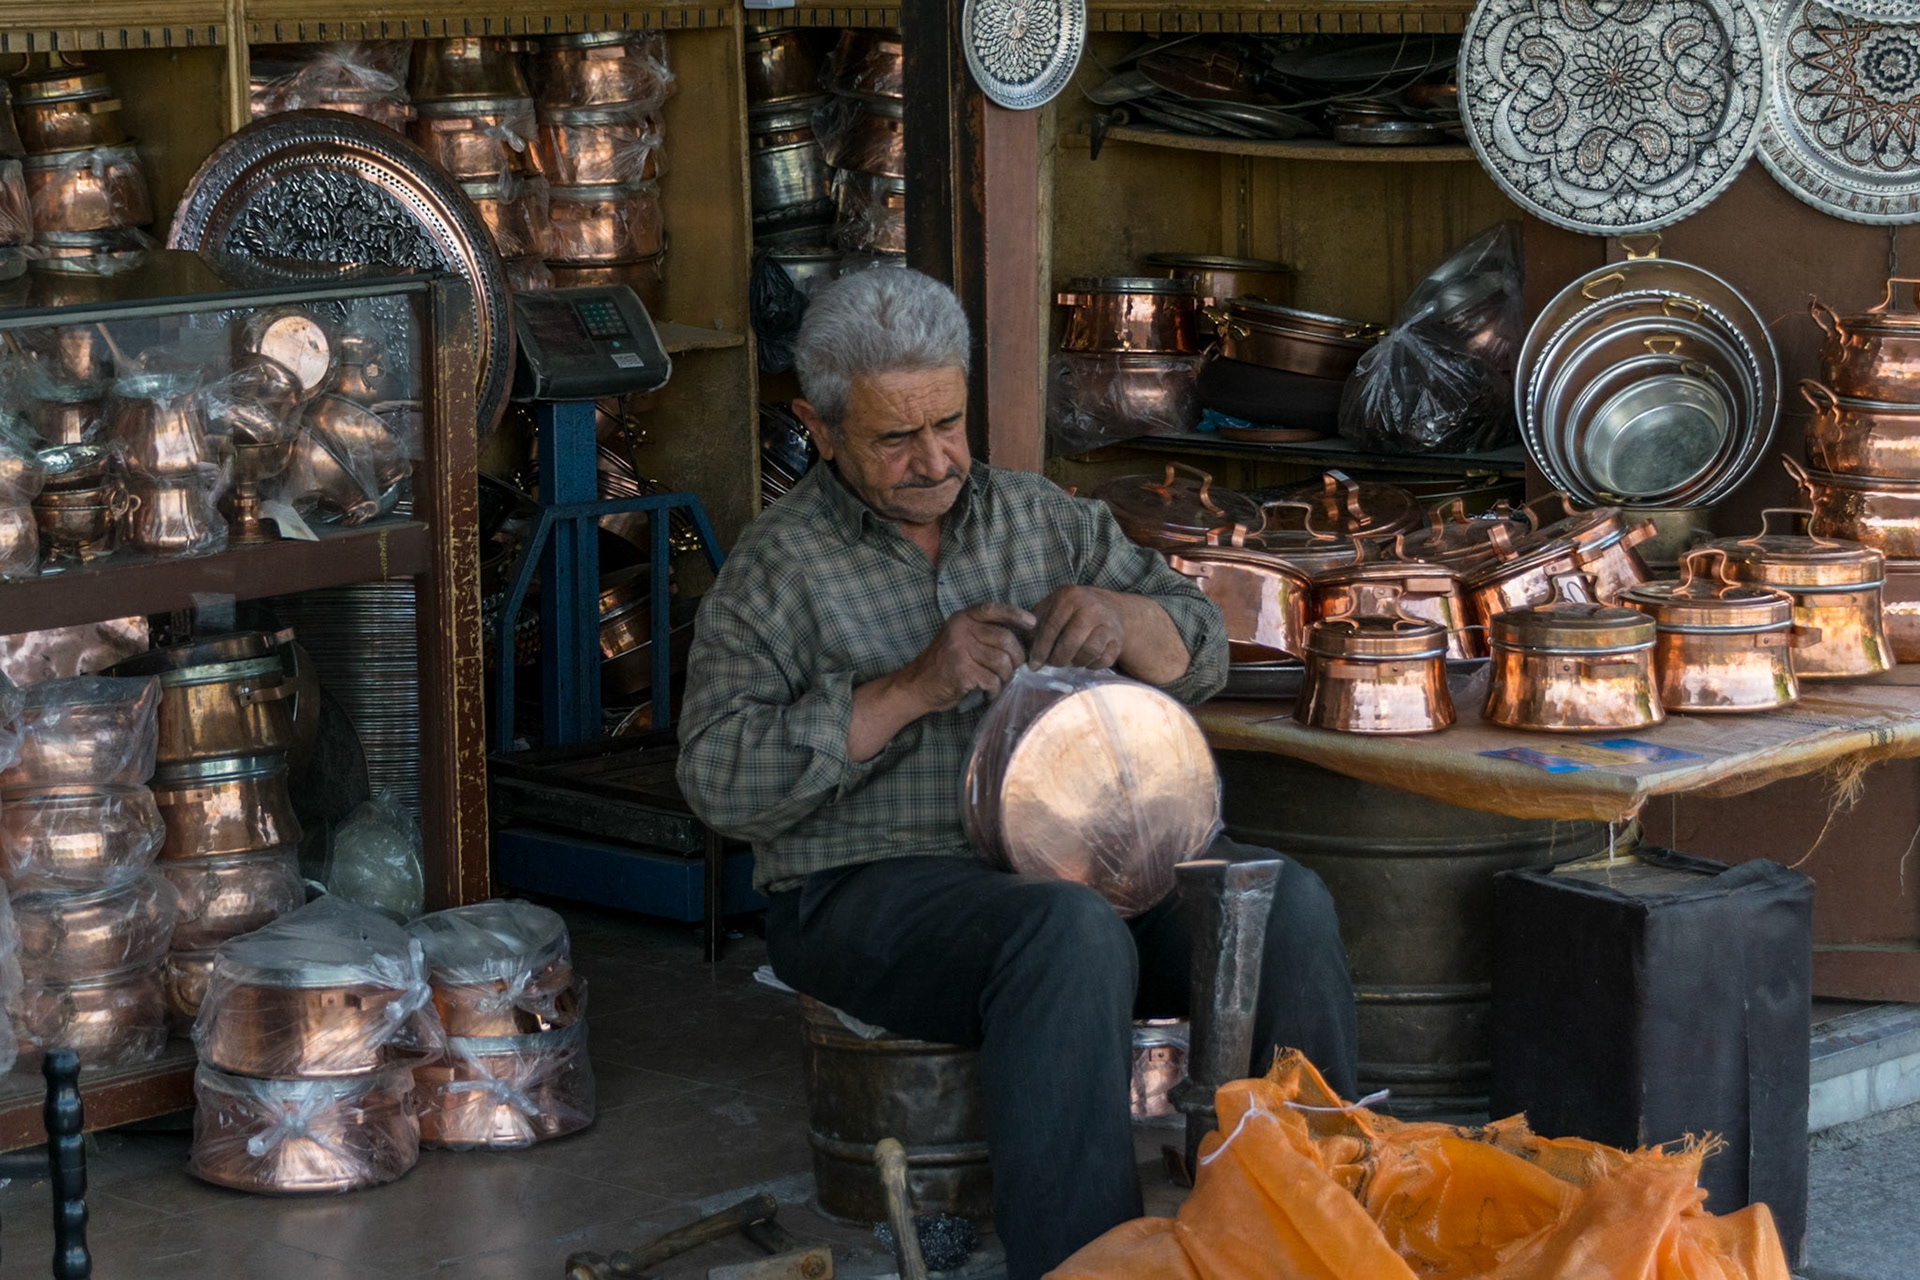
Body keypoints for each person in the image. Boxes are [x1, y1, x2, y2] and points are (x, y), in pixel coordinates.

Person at [676, 268, 1357, 1280]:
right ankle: (1086, 1261)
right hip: (866, 886)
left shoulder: (1046, 520)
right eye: (894, 438)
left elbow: (1206, 649)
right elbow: (716, 779)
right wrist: (912, 685)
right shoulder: (776, 570)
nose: (935, 458)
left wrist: (1126, 621)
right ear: (820, 430)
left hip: (1089, 859)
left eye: (948, 422)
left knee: (1278, 898)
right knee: (1064, 929)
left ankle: (1324, 1223)